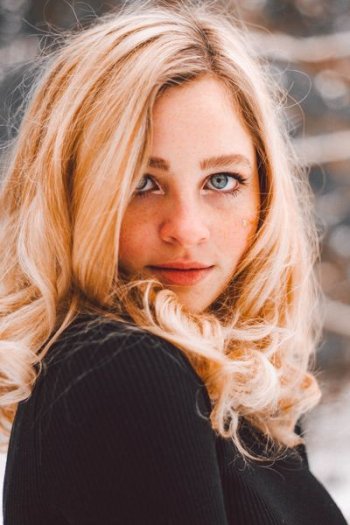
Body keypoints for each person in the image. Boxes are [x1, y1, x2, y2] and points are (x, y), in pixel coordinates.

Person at [0, 1, 347, 523]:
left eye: (222, 181)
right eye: (142, 183)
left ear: (264, 193)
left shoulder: (237, 394)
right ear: (71, 195)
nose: (186, 227)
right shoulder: (122, 366)